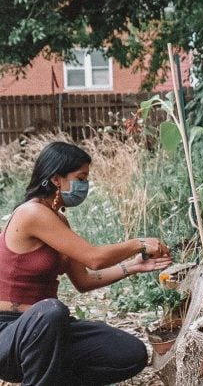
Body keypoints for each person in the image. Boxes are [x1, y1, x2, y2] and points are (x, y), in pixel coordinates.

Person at [0, 141, 172, 385]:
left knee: (130, 353)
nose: (85, 185)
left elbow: (84, 280)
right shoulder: (31, 213)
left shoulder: (58, 221)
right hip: (8, 332)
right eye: (80, 177)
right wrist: (139, 243)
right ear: (57, 179)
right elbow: (94, 258)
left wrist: (133, 266)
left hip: (49, 332)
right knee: (52, 310)